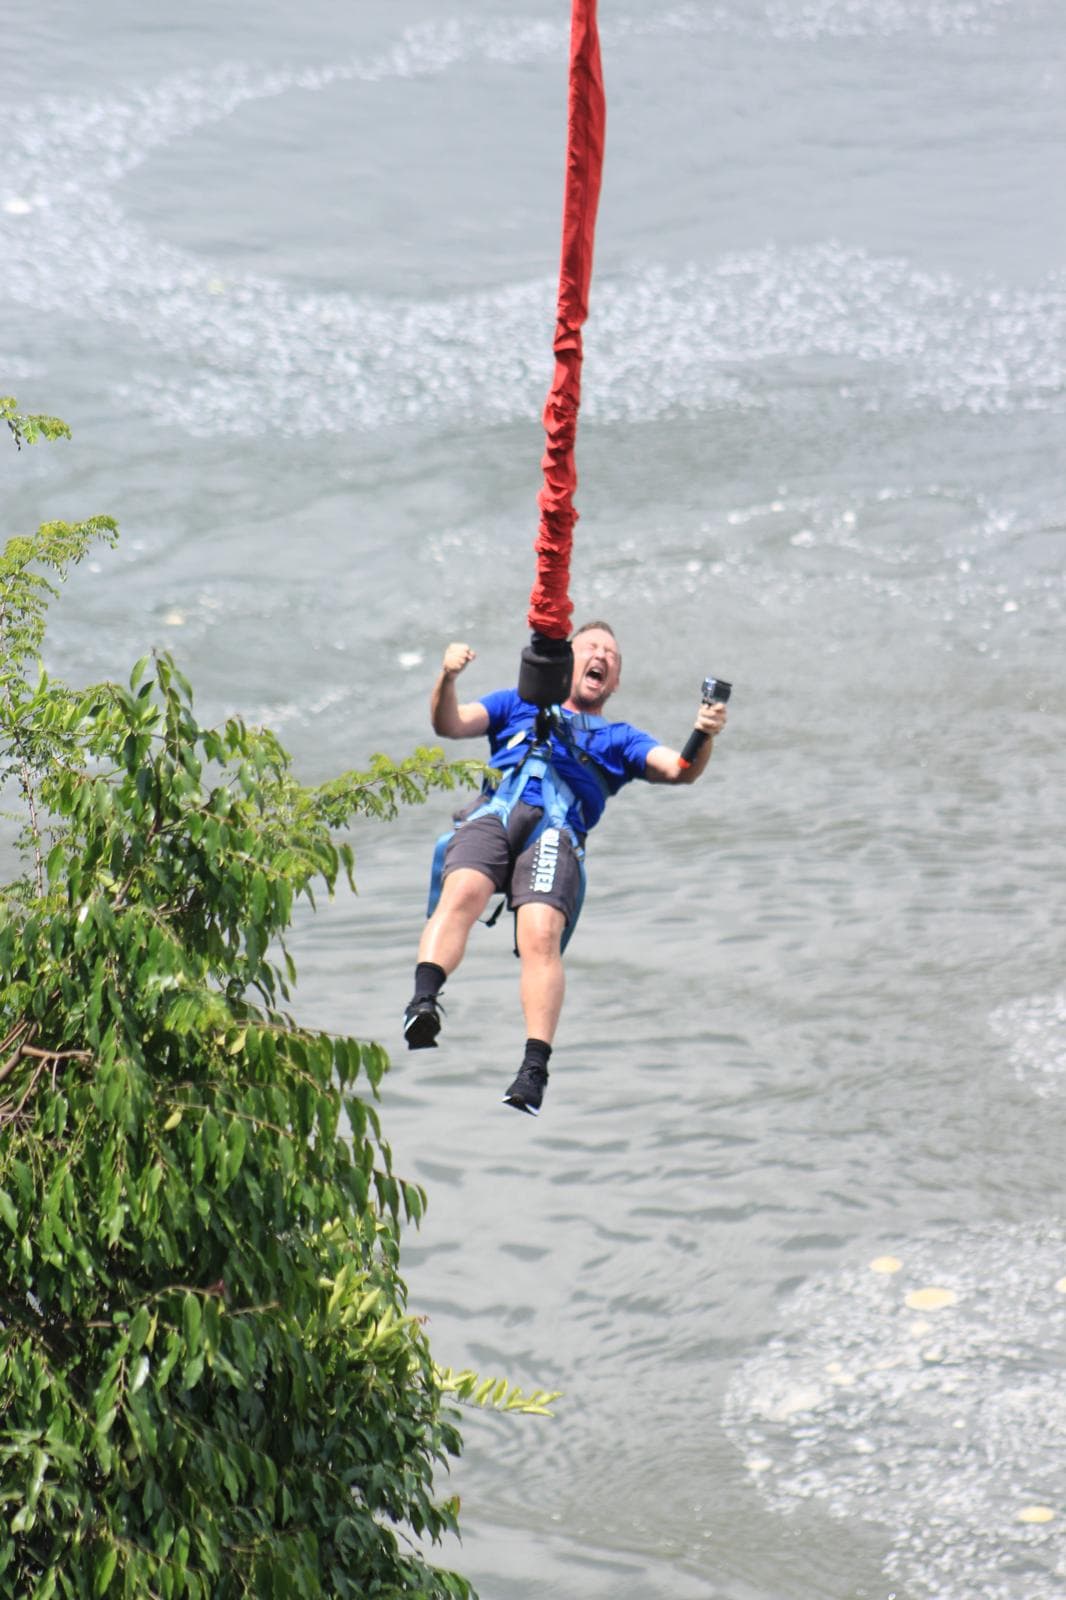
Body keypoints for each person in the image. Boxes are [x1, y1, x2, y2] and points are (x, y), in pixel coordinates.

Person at [402, 622, 728, 1115]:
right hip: (495, 814)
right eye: (591, 647)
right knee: (464, 890)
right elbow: (449, 723)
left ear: (615, 682)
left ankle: (533, 1069)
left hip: (555, 833)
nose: (602, 656)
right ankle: (423, 1002)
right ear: (564, 662)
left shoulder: (620, 739)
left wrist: (703, 732)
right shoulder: (515, 703)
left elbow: (680, 770)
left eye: (611, 655)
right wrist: (447, 677)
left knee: (540, 933)